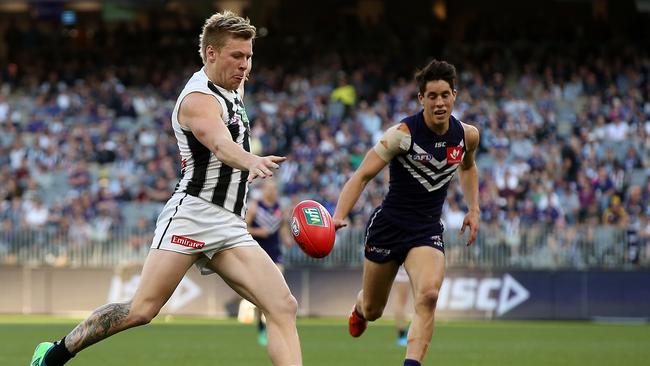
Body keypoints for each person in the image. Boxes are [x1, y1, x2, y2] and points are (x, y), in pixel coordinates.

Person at [31, 11, 302, 366]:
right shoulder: (198, 100)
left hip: (229, 225)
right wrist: (250, 161)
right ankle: (55, 352)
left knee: (283, 306)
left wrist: (241, 168)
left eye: (249, 56)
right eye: (237, 56)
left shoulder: (234, 86)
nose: (245, 65)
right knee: (142, 310)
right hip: (192, 215)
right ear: (210, 54)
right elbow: (220, 144)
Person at [332, 59, 480, 366]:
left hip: (425, 230)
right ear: (421, 99)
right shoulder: (401, 134)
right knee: (374, 309)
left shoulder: (467, 136)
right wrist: (339, 214)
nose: (439, 102)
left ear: (454, 95)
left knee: (428, 296)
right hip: (389, 226)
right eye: (432, 96)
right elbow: (361, 175)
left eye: (445, 95)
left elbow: (468, 167)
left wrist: (474, 208)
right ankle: (360, 308)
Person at [245, 179, 292, 346]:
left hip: (275, 255)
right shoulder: (255, 206)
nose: (272, 192)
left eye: (274, 189)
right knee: (260, 296)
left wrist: (288, 239)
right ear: (264, 190)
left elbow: (284, 230)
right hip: (258, 255)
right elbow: (242, 227)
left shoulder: (280, 208)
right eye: (269, 189)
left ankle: (275, 325)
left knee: (278, 291)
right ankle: (261, 326)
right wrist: (258, 231)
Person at [392, 265, 410, 347]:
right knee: (400, 299)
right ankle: (401, 333)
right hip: (403, 266)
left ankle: (403, 332)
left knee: (401, 299)